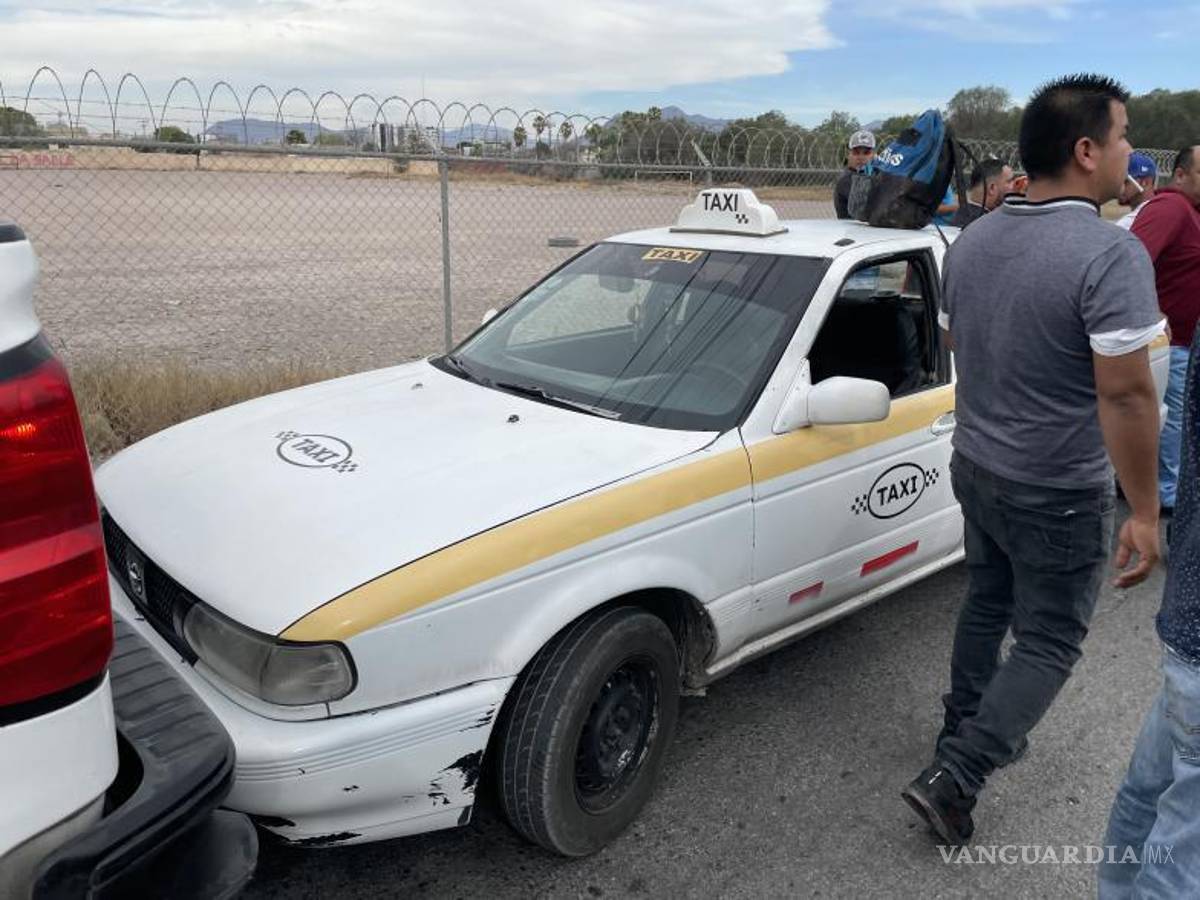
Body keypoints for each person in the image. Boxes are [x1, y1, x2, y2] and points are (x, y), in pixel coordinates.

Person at [901, 74, 1164, 846]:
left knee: (987, 601)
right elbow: (1127, 396)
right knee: (1050, 637)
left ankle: (960, 728)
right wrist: (1146, 510)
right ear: (1085, 151)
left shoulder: (973, 241)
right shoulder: (1109, 253)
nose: (1128, 152)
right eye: (1122, 137)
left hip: (977, 464)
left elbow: (959, 342)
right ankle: (958, 773)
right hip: (1055, 487)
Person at [1098, 327, 1200, 899]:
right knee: (1182, 862)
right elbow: (1124, 392)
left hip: (1188, 620)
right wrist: (1143, 510)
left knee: (1148, 795)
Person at [1131, 145, 1200, 518]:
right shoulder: (1170, 208)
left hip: (1188, 344)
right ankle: (1169, 495)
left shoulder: (1191, 211)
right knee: (1174, 423)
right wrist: (1150, 308)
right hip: (1174, 346)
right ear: (1181, 175)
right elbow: (1132, 260)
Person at [950, 159, 1016, 229]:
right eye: (1009, 181)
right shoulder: (989, 224)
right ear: (992, 188)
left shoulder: (964, 216)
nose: (1015, 185)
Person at [834, 130, 875, 219]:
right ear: (848, 155)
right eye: (856, 152)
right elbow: (864, 205)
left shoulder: (874, 175)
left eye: (866, 153)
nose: (861, 157)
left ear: (873, 154)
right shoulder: (845, 180)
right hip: (851, 226)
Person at [1115, 152, 1157, 230]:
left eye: (1126, 181)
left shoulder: (1127, 225)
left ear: (1146, 183)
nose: (1120, 187)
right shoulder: (1159, 211)